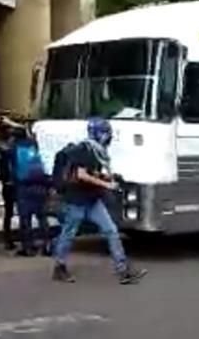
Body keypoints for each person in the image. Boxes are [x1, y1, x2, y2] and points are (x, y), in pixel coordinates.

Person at [52, 118, 147, 285]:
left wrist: (107, 177)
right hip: (76, 200)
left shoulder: (97, 152)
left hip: (92, 199)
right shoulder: (85, 150)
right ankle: (59, 267)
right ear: (99, 134)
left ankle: (123, 270)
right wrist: (107, 184)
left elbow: (91, 173)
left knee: (111, 230)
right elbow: (81, 175)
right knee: (69, 233)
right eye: (106, 133)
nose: (108, 137)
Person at [12, 128, 52, 257]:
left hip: (24, 186)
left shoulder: (14, 149)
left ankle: (28, 248)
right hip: (40, 184)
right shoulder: (34, 145)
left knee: (25, 219)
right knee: (42, 217)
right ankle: (47, 245)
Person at [0, 117, 18, 251]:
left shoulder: (2, 148)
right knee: (21, 212)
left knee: (9, 212)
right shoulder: (16, 146)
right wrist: (11, 122)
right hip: (18, 181)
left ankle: (8, 239)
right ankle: (20, 240)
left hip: (7, 183)